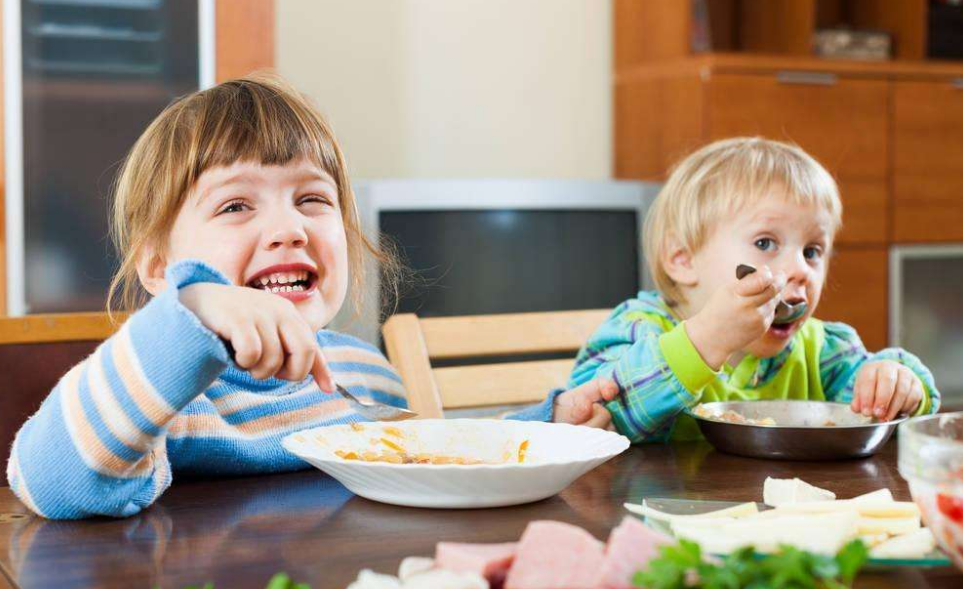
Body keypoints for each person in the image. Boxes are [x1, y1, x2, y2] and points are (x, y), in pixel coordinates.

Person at [568, 137, 940, 443]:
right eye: (765, 243)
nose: (799, 269)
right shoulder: (637, 329)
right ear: (682, 258)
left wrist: (895, 383)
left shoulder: (821, 351)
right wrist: (706, 341)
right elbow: (589, 414)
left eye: (812, 251)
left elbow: (869, 407)